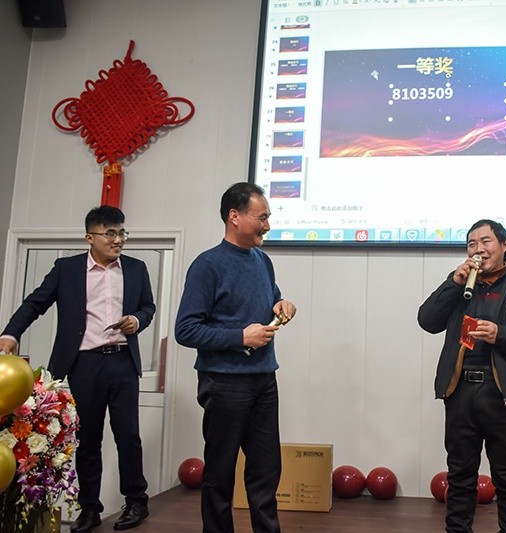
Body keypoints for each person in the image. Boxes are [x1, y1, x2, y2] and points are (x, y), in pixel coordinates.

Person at [0, 206, 155, 532]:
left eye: (122, 233)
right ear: (89, 237)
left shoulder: (136, 269)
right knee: (88, 439)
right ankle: (89, 509)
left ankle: (136, 502)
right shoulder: (67, 269)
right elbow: (35, 303)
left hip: (123, 361)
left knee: (128, 436)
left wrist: (137, 320)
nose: (118, 240)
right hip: (84, 363)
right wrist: (11, 334)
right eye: (110, 233)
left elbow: (148, 307)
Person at [418, 219, 506, 533]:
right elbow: (427, 320)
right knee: (459, 475)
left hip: (503, 393)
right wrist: (452, 283)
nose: (478, 249)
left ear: (504, 245)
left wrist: (500, 334)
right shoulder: (462, 284)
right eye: (472, 244)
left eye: (486, 241)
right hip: (459, 390)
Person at [175, 182, 296, 533]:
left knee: (266, 471)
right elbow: (186, 330)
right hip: (224, 383)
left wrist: (281, 304)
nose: (267, 225)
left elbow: (270, 299)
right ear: (235, 216)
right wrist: (240, 337)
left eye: (268, 217)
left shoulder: (263, 261)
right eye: (262, 217)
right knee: (220, 473)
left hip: (264, 379)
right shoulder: (207, 265)